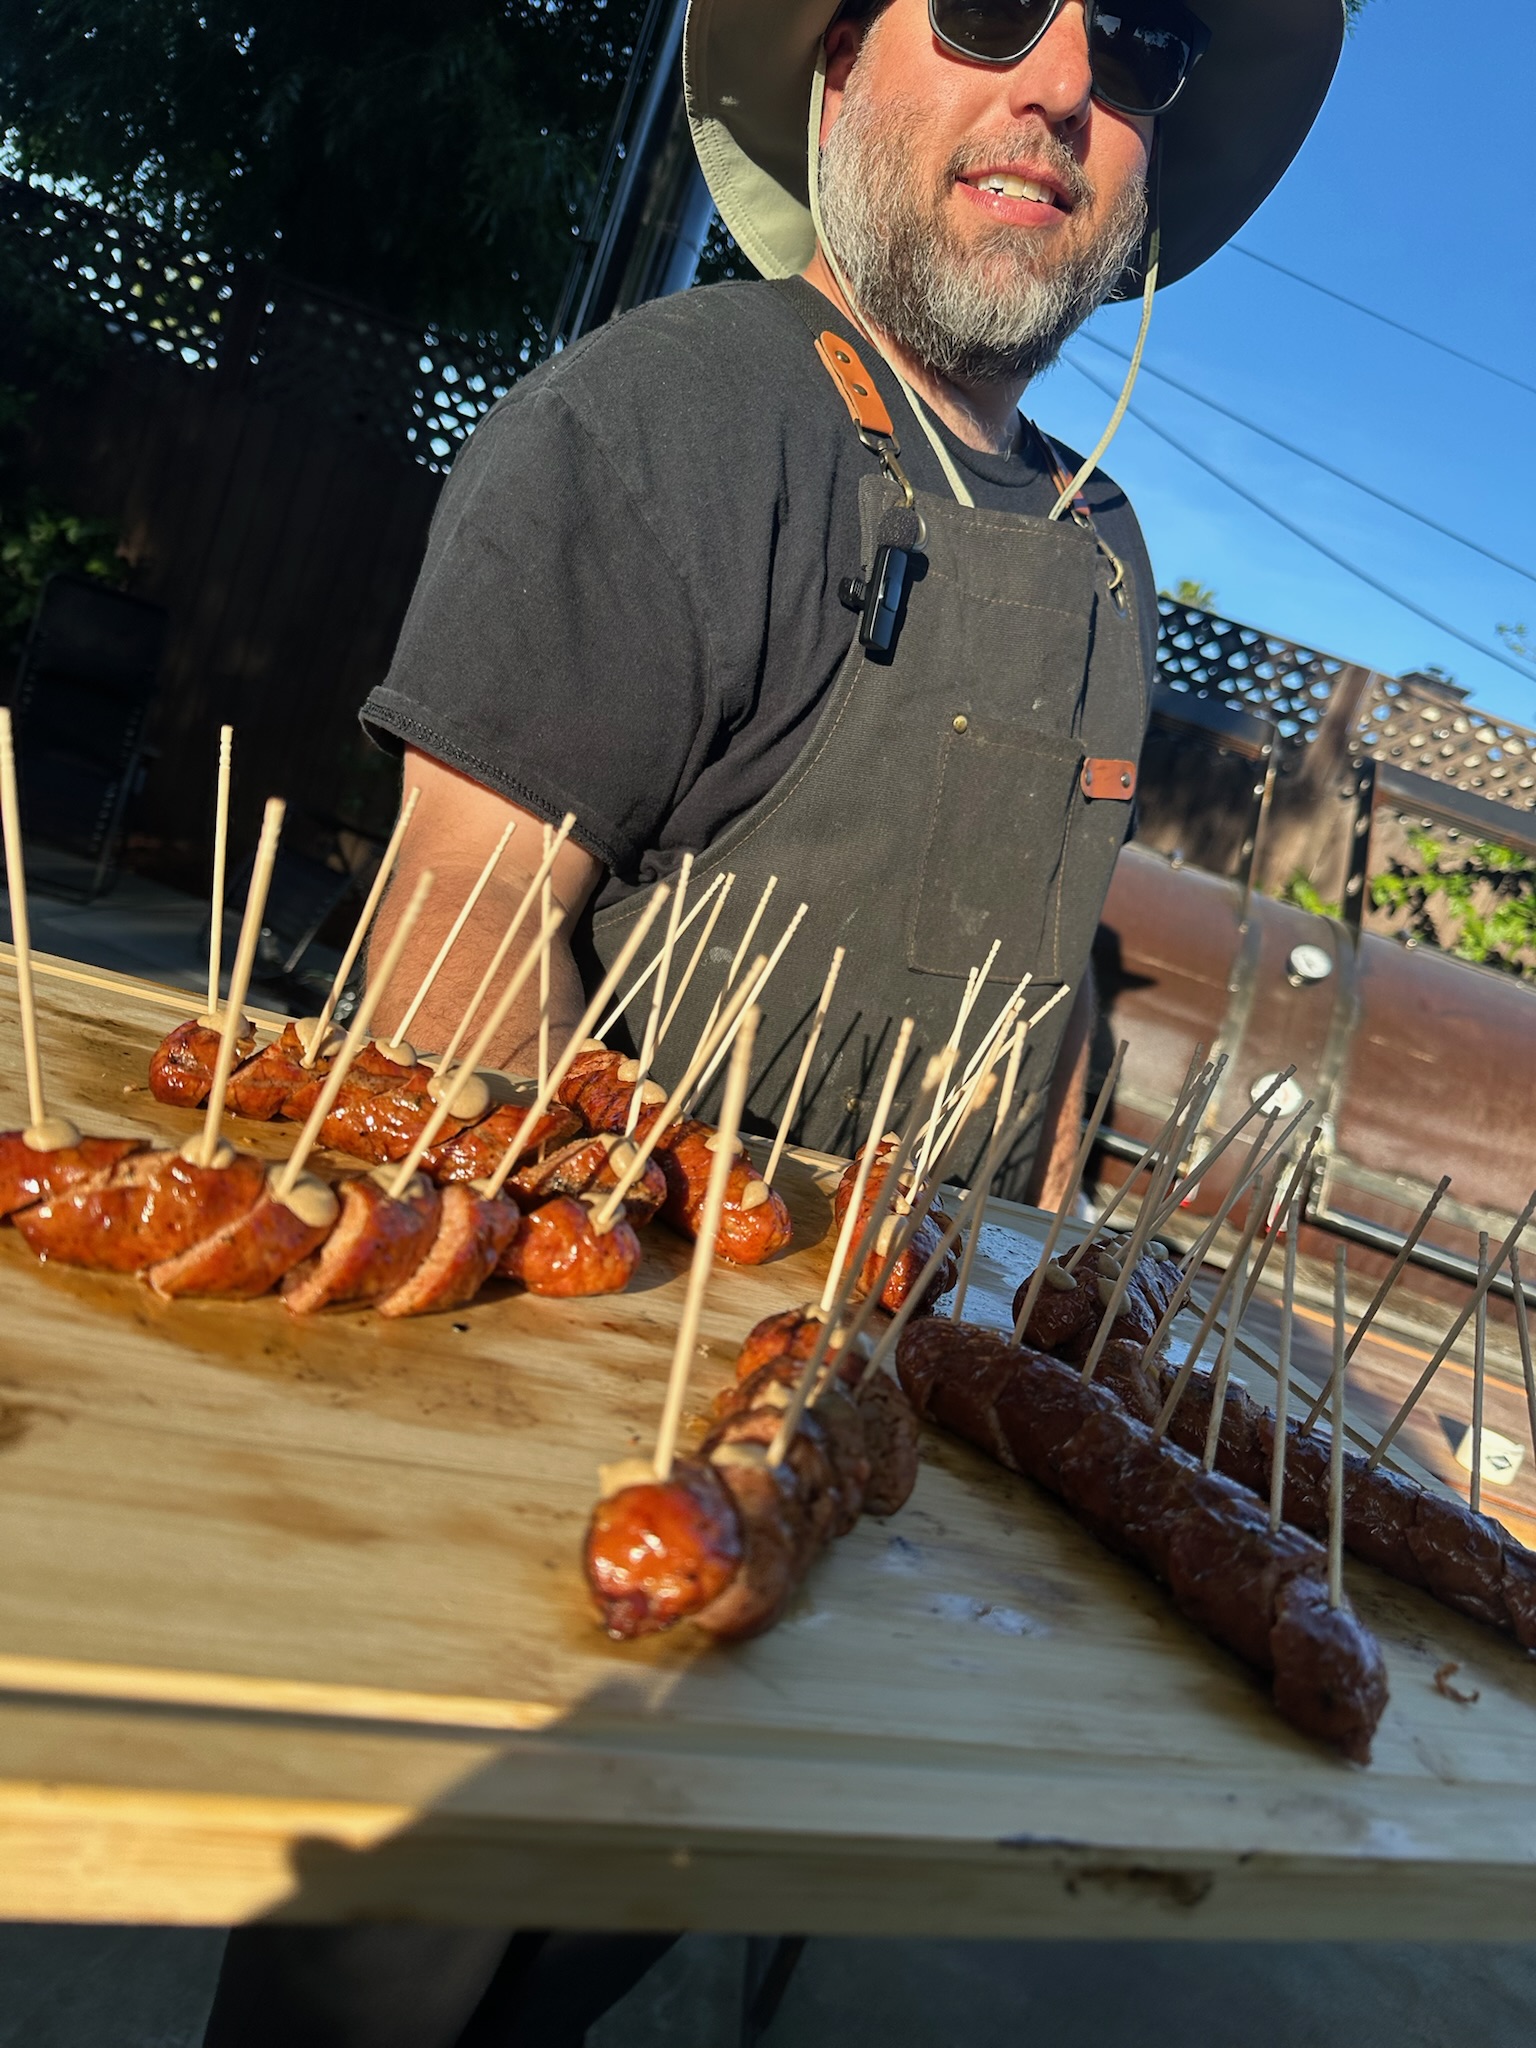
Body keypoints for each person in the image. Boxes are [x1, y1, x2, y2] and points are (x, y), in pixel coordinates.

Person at [203, 0, 1344, 2039]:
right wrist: (573, 1379)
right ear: (830, 63)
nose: (1064, 82)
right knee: (399, 1964)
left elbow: (1033, 977)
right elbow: (463, 906)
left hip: (851, 1426)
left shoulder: (1108, 560)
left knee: (594, 1948)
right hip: (569, 1407)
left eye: (1142, 38)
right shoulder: (658, 419)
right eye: (994, 3)